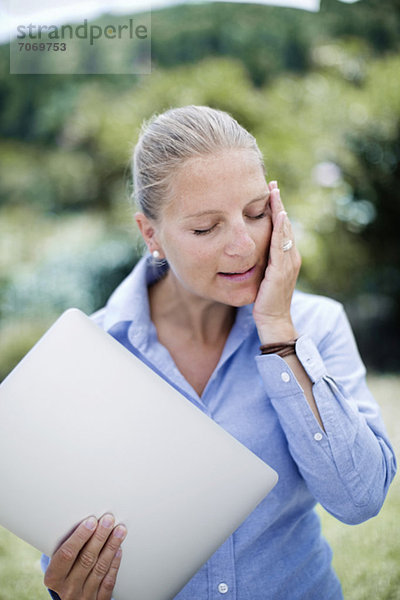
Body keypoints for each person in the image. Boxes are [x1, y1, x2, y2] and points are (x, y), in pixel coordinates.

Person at [41, 105, 396, 600]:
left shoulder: (315, 325)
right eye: (206, 228)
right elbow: (66, 547)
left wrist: (278, 332)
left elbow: (359, 499)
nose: (244, 245)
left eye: (256, 213)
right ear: (151, 234)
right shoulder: (89, 356)